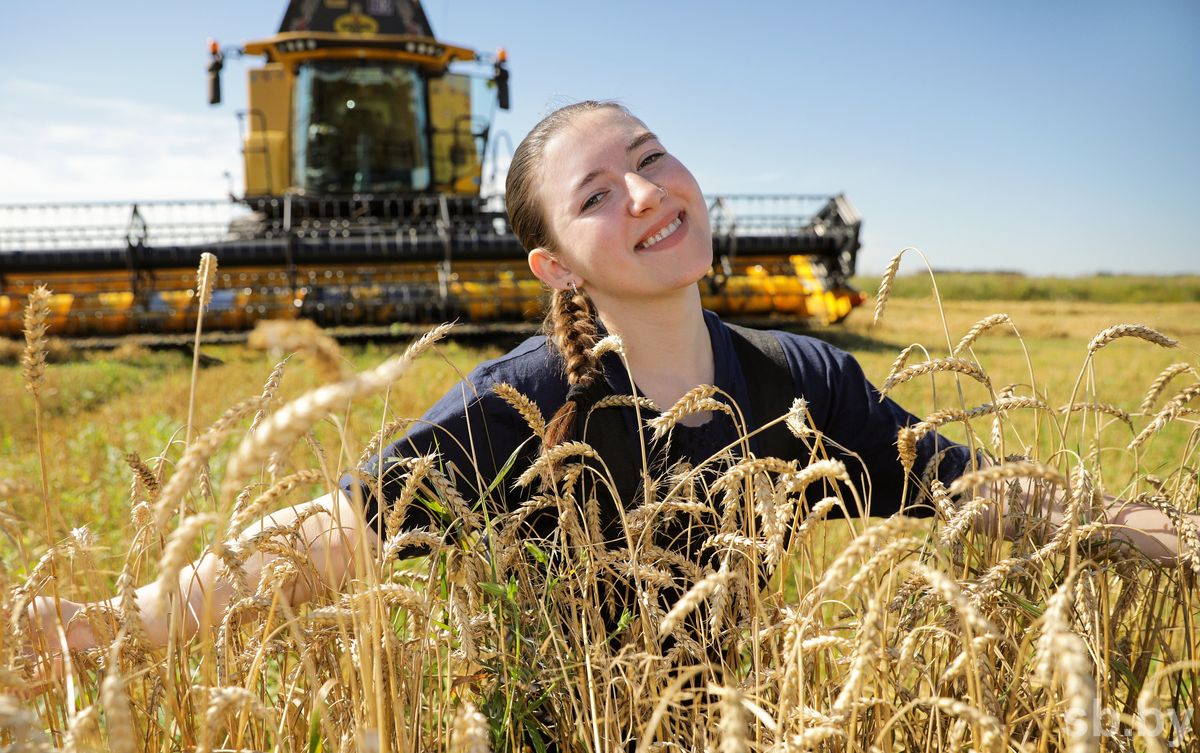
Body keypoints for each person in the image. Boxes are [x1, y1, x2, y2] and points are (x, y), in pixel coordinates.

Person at [26, 100, 1196, 656]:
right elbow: (329, 537)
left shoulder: (803, 383)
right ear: (551, 263)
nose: (645, 193)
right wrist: (113, 623)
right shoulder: (520, 408)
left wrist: (1160, 530)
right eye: (597, 195)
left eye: (652, 159)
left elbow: (976, 491)